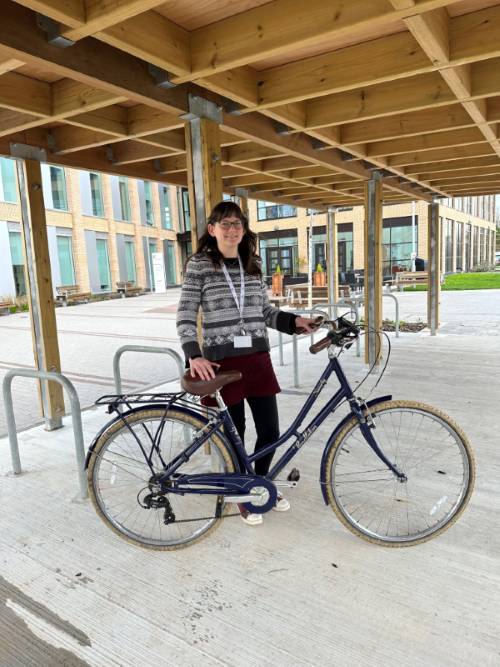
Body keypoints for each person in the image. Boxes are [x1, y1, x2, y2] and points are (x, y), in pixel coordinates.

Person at [176, 201, 316, 526]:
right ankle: (242, 491)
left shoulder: (252, 263)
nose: (232, 229)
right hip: (221, 363)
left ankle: (260, 483)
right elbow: (185, 312)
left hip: (257, 359)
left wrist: (297, 321)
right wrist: (194, 354)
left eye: (237, 223)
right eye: (225, 223)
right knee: (234, 433)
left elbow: (264, 312)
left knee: (270, 430)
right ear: (212, 229)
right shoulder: (199, 264)